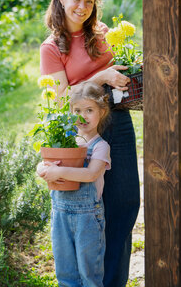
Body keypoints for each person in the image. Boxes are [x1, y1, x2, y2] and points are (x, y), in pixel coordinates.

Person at [39, 0, 140, 287]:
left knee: (124, 204)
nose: (82, 6)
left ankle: (112, 282)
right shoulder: (52, 47)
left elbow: (120, 73)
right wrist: (101, 77)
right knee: (89, 213)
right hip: (82, 132)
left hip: (118, 123)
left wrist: (127, 73)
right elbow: (58, 102)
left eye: (89, 1)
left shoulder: (103, 33)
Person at [37, 81, 111, 287]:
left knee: (89, 274)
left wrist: (58, 171)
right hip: (60, 213)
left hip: (87, 218)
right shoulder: (63, 141)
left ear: (102, 112)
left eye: (89, 110)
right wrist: (43, 170)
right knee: (65, 272)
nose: (83, 116)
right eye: (77, 110)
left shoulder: (100, 146)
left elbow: (90, 174)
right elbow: (42, 162)